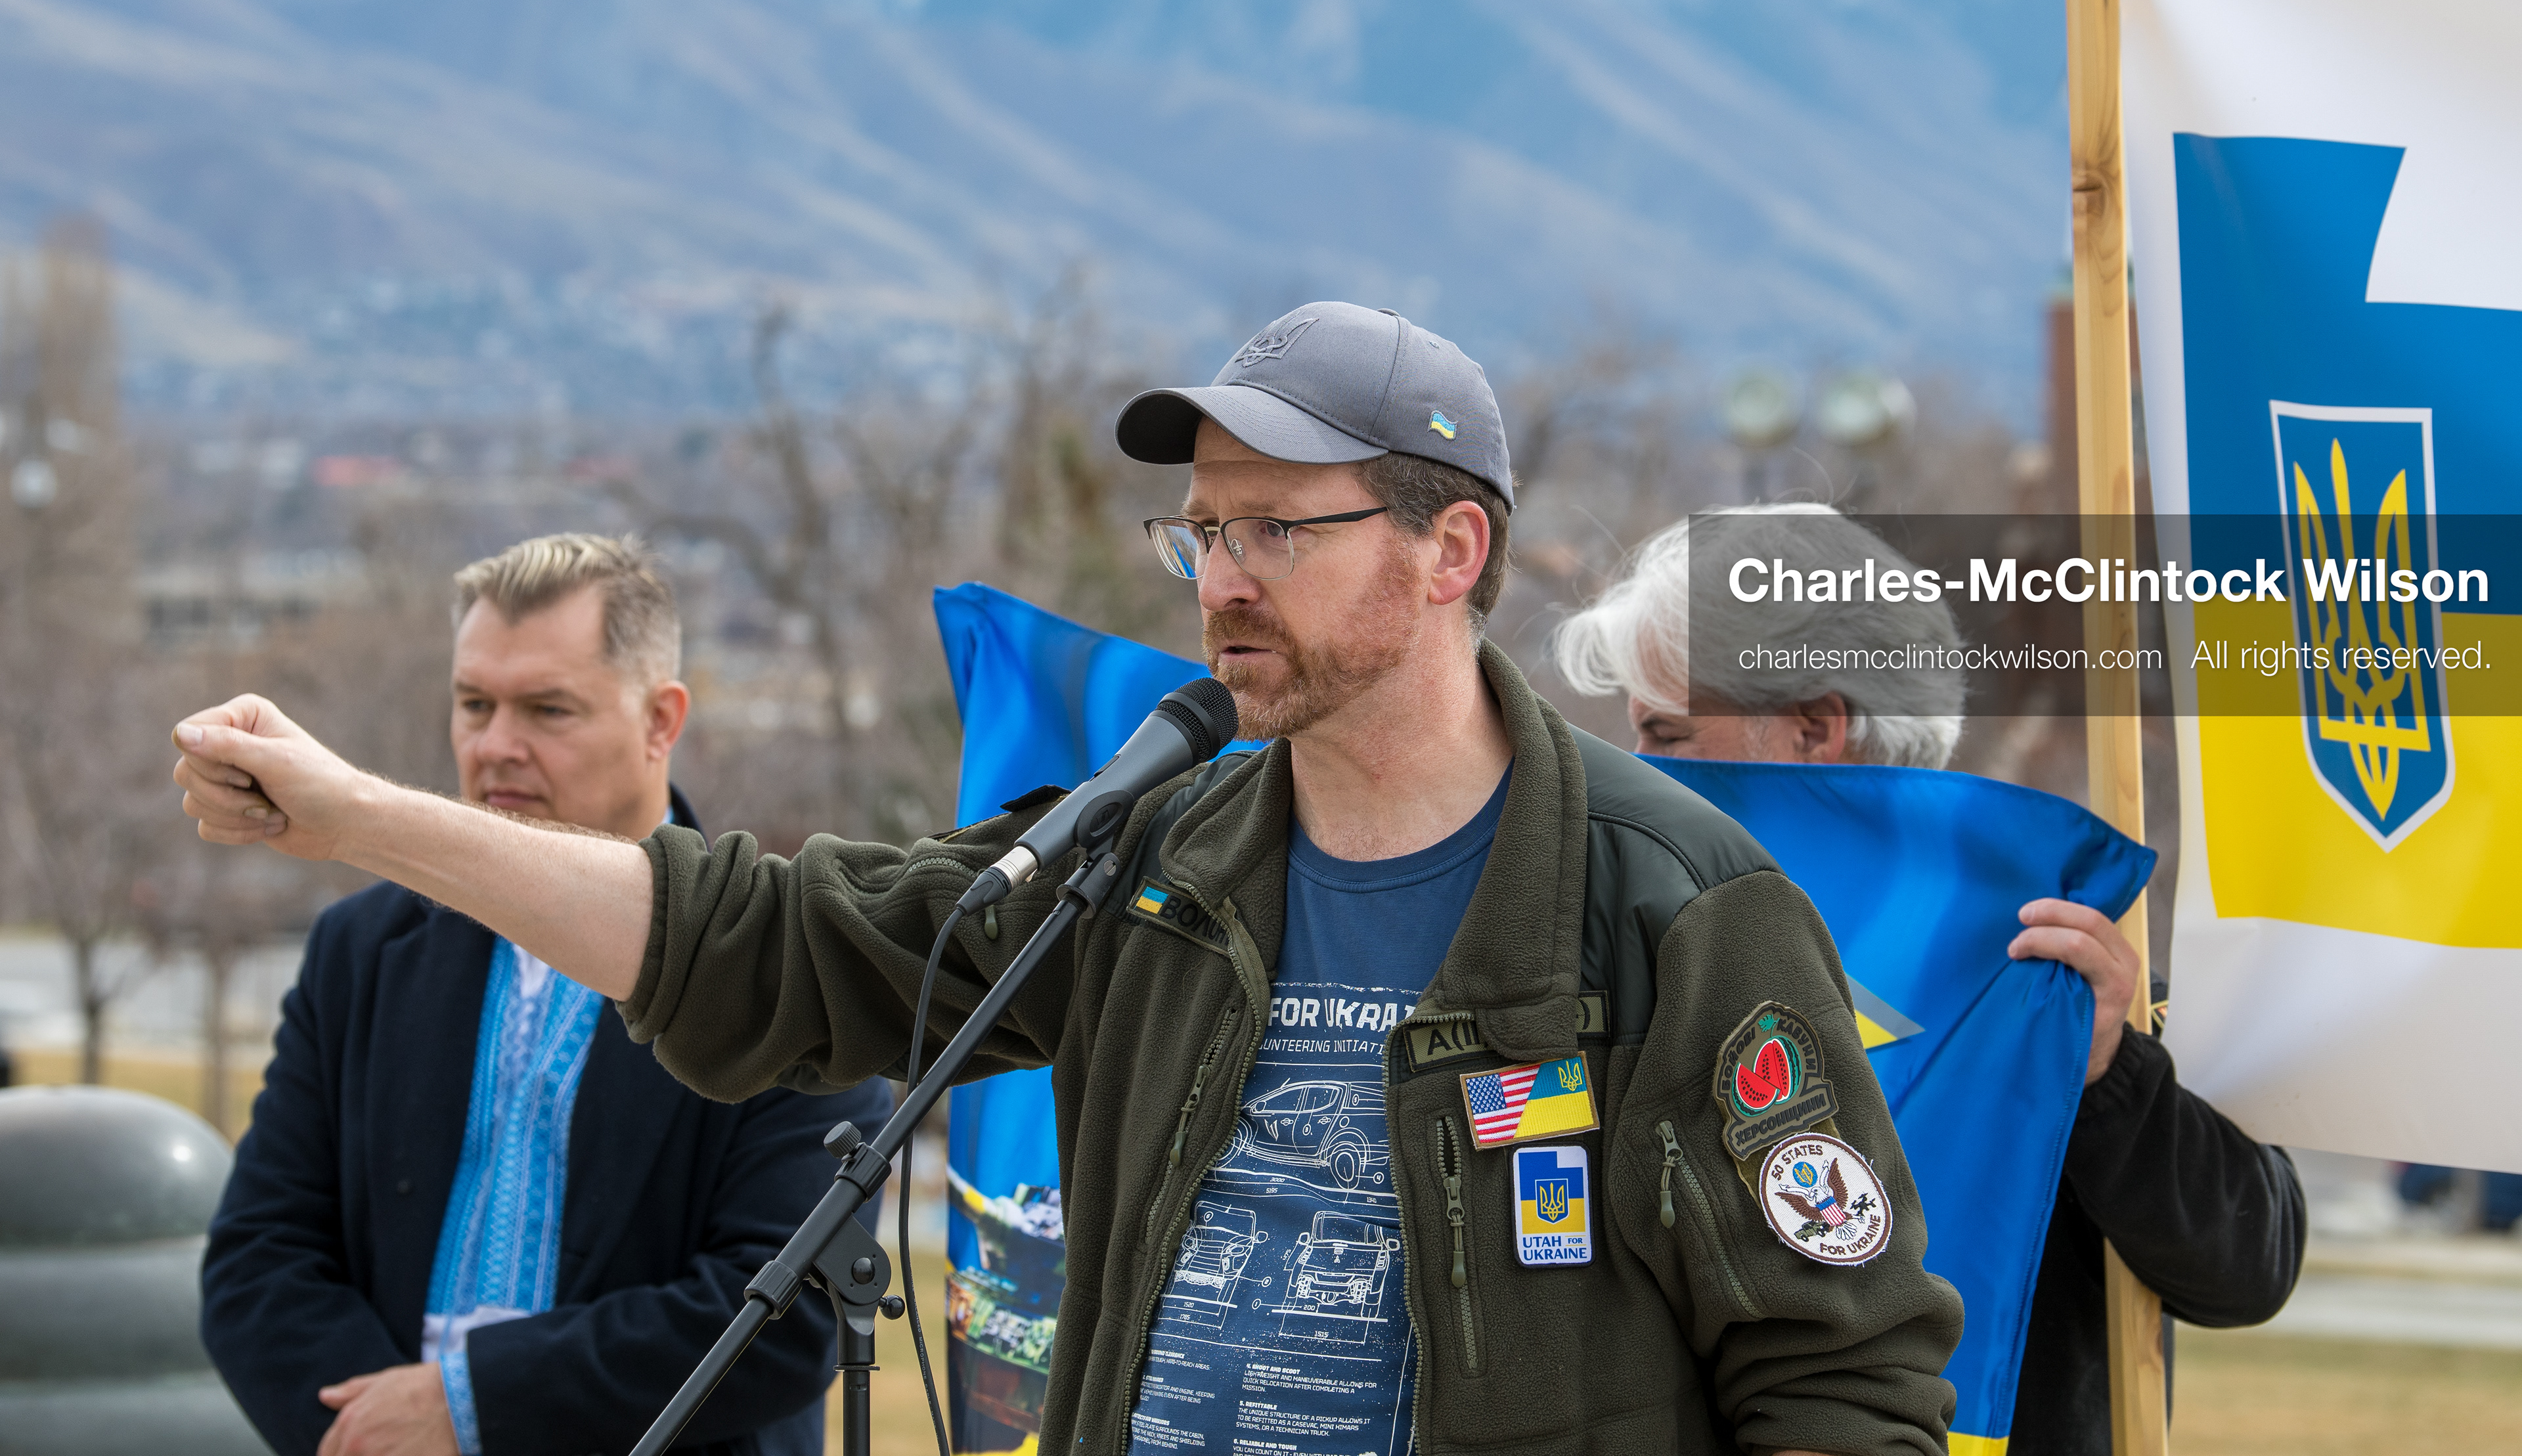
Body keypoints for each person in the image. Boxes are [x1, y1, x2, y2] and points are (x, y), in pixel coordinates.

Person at [175, 305, 1964, 1456]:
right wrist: (360, 821)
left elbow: (1842, 1377)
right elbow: (767, 946)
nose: (1223, 577)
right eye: (1203, 530)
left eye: (1280, 527)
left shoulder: (1674, 907)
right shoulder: (1149, 851)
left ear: (1451, 550)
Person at [1550, 501, 2307, 1456]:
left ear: (1816, 730)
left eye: (1668, 733)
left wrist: (2111, 1072)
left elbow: (2249, 1268)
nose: (1640, 773)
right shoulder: (1628, 935)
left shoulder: (2055, 952)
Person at [198, 534, 891, 1456]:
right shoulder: (360, 950)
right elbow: (259, 1260)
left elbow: (786, 1311)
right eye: (474, 703)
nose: (495, 746)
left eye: (547, 710)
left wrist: (468, 1410)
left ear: (661, 720)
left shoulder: (780, 960)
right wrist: (373, 1434)